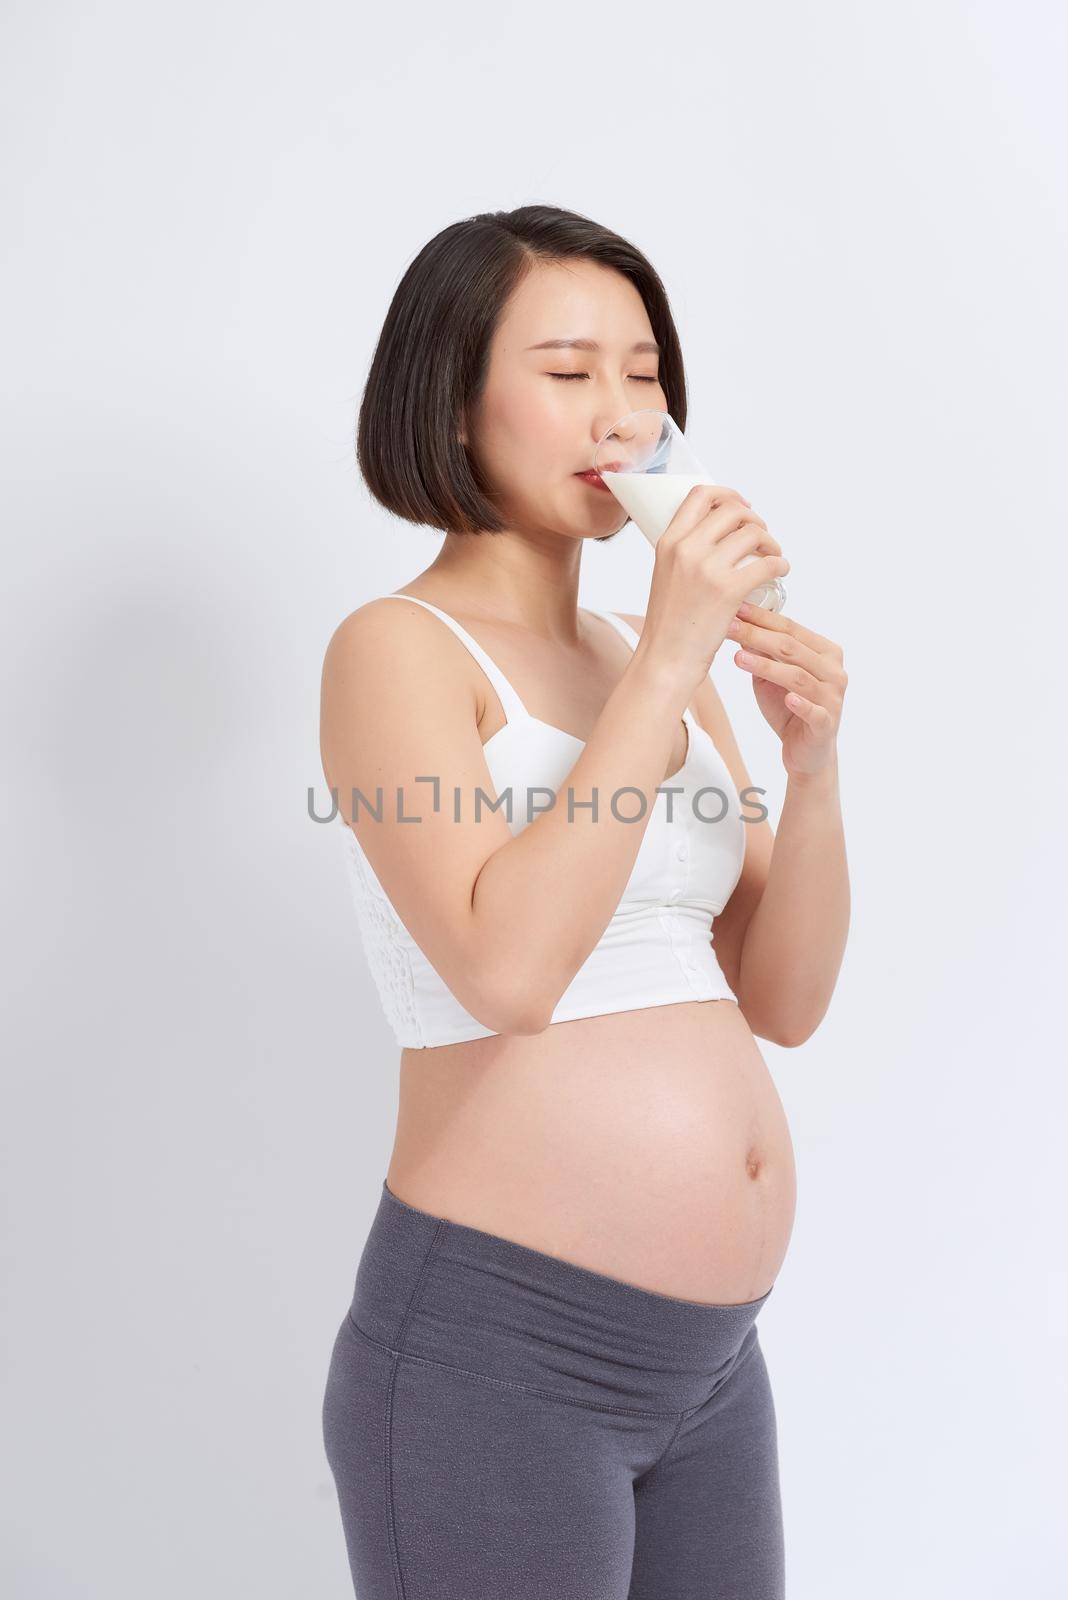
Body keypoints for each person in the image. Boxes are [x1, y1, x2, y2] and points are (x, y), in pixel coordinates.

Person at [318, 203, 850, 1600]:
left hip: (715, 1367)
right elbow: (510, 973)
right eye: (567, 374)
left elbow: (783, 1002)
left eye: (643, 373)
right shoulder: (396, 649)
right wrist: (672, 666)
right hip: (499, 1351)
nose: (620, 414)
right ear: (451, 405)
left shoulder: (636, 653)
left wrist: (813, 765)